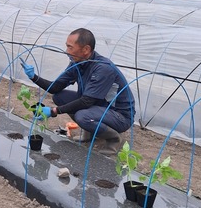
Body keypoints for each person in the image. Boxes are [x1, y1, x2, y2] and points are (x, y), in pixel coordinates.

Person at [21, 28, 135, 156]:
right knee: (60, 97)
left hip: (119, 115)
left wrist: (54, 111)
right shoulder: (77, 63)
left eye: (70, 47)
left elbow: (86, 101)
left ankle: (114, 138)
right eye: (67, 47)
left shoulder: (102, 68)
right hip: (98, 107)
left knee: (82, 115)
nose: (67, 51)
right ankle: (90, 131)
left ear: (86, 49)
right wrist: (33, 77)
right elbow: (55, 87)